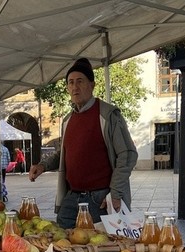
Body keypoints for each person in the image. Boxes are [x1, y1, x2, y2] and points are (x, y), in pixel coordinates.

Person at [28, 57, 138, 229]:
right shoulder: (68, 120)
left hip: (100, 198)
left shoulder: (108, 115)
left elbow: (128, 154)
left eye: (80, 81)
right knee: (62, 239)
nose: (74, 87)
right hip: (73, 196)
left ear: (92, 85)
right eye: (70, 83)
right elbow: (63, 154)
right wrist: (42, 166)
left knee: (101, 247)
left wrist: (116, 192)